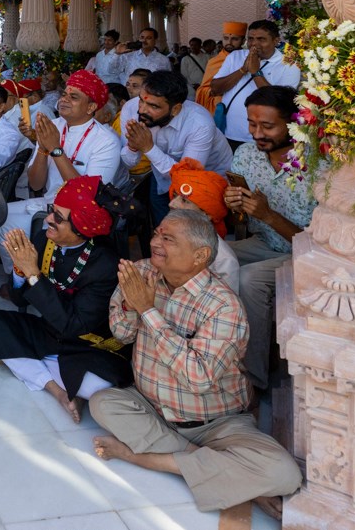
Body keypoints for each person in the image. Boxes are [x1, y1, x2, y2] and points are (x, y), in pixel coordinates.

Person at [90, 209, 301, 519]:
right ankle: (205, 464)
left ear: (200, 255)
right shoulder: (141, 273)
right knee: (103, 403)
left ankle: (142, 458)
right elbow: (121, 335)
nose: (155, 243)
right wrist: (132, 304)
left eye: (168, 239)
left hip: (217, 424)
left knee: (284, 474)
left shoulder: (223, 305)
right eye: (157, 234)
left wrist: (149, 311)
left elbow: (198, 378)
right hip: (152, 406)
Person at [0, 176, 134, 424]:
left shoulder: (105, 265)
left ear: (82, 228)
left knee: (98, 387)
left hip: (85, 345)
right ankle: (59, 391)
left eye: (59, 218)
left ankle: (55, 376)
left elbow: (72, 325)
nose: (49, 219)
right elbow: (19, 299)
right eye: (52, 211)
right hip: (50, 333)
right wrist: (20, 272)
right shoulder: (44, 239)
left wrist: (33, 274)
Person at [226, 85, 316, 390]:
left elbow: (316, 243)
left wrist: (268, 215)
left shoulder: (319, 163)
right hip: (262, 242)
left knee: (250, 279)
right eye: (252, 124)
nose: (256, 134)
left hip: (304, 254)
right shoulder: (246, 155)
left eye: (267, 126)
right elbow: (241, 221)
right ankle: (213, 354)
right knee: (208, 254)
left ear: (293, 124)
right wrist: (235, 208)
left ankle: (252, 379)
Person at [0, 70, 123, 268]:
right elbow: (36, 183)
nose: (64, 100)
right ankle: (19, 275)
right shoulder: (53, 125)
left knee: (13, 223)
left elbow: (87, 197)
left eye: (74, 97)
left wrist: (55, 149)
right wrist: (43, 150)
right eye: (64, 94)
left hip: (79, 213)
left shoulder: (106, 141)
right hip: (48, 202)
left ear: (91, 107)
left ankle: (31, 275)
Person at [119, 70, 232, 224]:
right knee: (164, 227)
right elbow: (129, 163)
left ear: (176, 109)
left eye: (153, 106)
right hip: (161, 178)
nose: (142, 110)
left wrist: (148, 148)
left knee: (194, 233)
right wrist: (132, 147)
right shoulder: (131, 110)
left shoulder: (200, 124)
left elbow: (188, 177)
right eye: (141, 100)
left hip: (206, 181)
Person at [211, 20, 302, 149]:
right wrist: (242, 70)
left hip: (261, 138)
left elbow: (278, 102)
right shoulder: (235, 56)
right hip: (229, 133)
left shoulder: (289, 65)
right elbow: (215, 88)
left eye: (261, 39)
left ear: (276, 41)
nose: (254, 44)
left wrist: (255, 72)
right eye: (251, 39)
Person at [168, 159, 239, 292]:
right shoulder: (164, 239)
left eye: (184, 201)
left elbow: (228, 309)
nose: (171, 204)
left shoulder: (223, 262)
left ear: (207, 215)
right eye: (175, 196)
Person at [195, 21, 249, 112]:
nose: (229, 42)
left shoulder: (248, 58)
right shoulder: (214, 61)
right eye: (226, 38)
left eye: (235, 39)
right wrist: (214, 92)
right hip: (219, 108)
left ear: (243, 41)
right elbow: (203, 89)